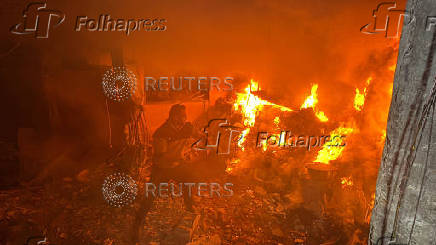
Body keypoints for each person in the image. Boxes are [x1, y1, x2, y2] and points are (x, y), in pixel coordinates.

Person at [131, 104, 197, 243]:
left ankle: (190, 209)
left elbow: (197, 136)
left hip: (177, 166)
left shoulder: (187, 128)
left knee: (189, 179)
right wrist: (180, 155)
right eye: (181, 116)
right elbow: (162, 157)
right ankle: (137, 225)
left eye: (185, 116)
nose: (184, 119)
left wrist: (202, 143)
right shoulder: (162, 133)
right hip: (162, 169)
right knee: (150, 195)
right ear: (173, 116)